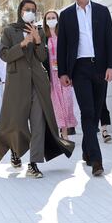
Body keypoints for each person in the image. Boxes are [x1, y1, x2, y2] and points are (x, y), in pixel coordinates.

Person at [0, 0, 74, 178]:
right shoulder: (9, 30)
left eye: (33, 10)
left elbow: (41, 58)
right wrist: (23, 43)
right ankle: (15, 150)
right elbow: (5, 55)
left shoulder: (39, 30)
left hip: (38, 83)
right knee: (17, 121)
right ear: (20, 11)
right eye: (27, 9)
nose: (30, 12)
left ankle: (33, 164)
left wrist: (38, 41)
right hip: (17, 84)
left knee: (39, 122)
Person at [57, 0, 112, 177]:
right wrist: (64, 72)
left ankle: (86, 150)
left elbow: (110, 40)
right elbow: (62, 45)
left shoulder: (102, 11)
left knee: (97, 111)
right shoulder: (65, 16)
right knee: (88, 112)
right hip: (80, 69)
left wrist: (111, 66)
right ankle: (97, 160)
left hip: (100, 68)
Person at [43, 10, 77, 140]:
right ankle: (63, 133)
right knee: (56, 102)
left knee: (67, 101)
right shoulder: (44, 36)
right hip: (51, 73)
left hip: (64, 72)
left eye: (53, 17)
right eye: (48, 18)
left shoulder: (63, 34)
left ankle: (67, 128)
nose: (51, 20)